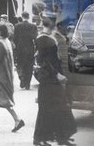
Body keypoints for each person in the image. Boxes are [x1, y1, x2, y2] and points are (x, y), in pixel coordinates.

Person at [32, 17, 77, 146]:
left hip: (48, 78)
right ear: (52, 26)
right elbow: (47, 61)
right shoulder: (46, 40)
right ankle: (56, 136)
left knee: (51, 108)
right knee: (55, 107)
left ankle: (51, 137)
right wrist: (57, 74)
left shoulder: (44, 38)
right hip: (50, 79)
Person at [12, 12, 37, 90]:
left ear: (22, 17)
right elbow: (35, 38)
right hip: (30, 49)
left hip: (20, 49)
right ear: (28, 17)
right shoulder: (33, 26)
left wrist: (15, 48)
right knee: (29, 66)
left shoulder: (17, 26)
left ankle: (21, 77)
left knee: (20, 64)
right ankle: (27, 84)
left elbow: (14, 38)